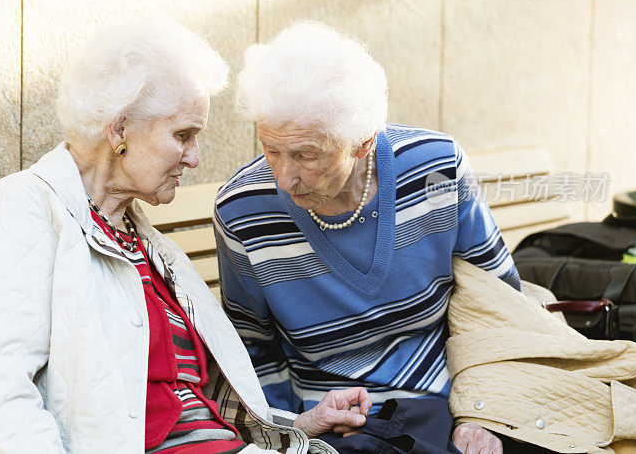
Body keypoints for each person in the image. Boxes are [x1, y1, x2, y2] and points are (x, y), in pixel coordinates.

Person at [0, 18, 369, 454]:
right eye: (183, 135)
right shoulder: (24, 209)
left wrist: (302, 424)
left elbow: (192, 402)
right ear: (119, 129)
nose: (195, 158)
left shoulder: (147, 245)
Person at [214, 22, 522, 453]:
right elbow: (251, 349)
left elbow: (500, 303)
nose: (284, 179)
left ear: (362, 143)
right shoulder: (242, 209)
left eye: (306, 154)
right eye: (271, 150)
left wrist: (484, 413)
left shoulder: (438, 169)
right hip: (329, 429)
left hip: (448, 407)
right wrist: (292, 432)